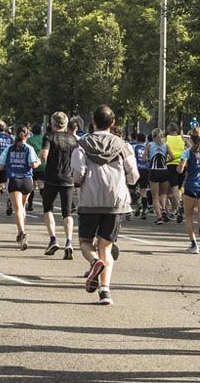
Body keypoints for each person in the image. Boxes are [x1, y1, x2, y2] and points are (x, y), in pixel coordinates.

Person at [72, 105, 139, 306]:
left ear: (93, 122)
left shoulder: (82, 145)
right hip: (115, 202)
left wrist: (79, 183)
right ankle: (105, 292)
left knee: (85, 241)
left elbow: (79, 173)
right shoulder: (123, 146)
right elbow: (134, 176)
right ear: (113, 123)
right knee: (106, 247)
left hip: (90, 201)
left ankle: (94, 262)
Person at [40, 112, 79, 258]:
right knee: (67, 212)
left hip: (51, 177)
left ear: (52, 122)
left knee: (48, 208)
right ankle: (69, 241)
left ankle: (53, 239)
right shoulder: (73, 138)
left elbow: (44, 155)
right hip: (68, 179)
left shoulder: (49, 137)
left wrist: (42, 161)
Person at [0, 125, 40, 249]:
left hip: (14, 180)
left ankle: (22, 232)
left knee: (18, 209)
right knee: (22, 208)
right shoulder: (29, 148)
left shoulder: (9, 149)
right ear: (27, 136)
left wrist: (10, 165)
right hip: (27, 180)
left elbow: (0, 166)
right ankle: (20, 232)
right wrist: (39, 162)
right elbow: (33, 164)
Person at [146, 130, 171, 224]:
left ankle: (159, 217)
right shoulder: (166, 145)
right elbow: (172, 157)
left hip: (153, 171)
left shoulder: (149, 145)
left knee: (155, 196)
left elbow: (144, 158)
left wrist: (149, 159)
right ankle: (164, 209)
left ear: (153, 136)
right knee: (164, 194)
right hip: (164, 171)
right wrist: (166, 160)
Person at [165, 123, 186, 222]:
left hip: (171, 164)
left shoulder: (166, 139)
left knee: (174, 189)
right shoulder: (182, 138)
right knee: (178, 189)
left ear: (169, 130)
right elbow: (191, 147)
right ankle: (174, 210)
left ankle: (179, 206)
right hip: (182, 164)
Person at [132, 133, 151, 220]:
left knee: (131, 189)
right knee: (143, 190)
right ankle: (144, 208)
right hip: (145, 169)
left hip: (136, 169)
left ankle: (137, 203)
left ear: (136, 139)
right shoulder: (147, 147)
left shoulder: (133, 147)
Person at [27, 123, 45, 212]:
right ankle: (46, 203)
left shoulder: (29, 140)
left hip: (33, 164)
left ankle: (30, 205)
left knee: (32, 186)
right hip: (43, 164)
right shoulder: (44, 139)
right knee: (41, 185)